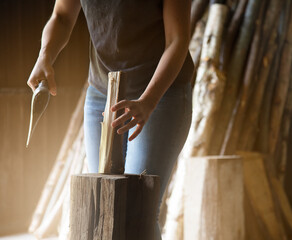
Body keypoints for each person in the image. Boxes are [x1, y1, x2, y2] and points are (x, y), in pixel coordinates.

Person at [27, 0, 194, 239]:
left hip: (161, 94)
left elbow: (177, 40)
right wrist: (45, 56)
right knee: (105, 204)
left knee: (139, 212)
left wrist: (148, 101)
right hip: (103, 92)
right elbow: (62, 16)